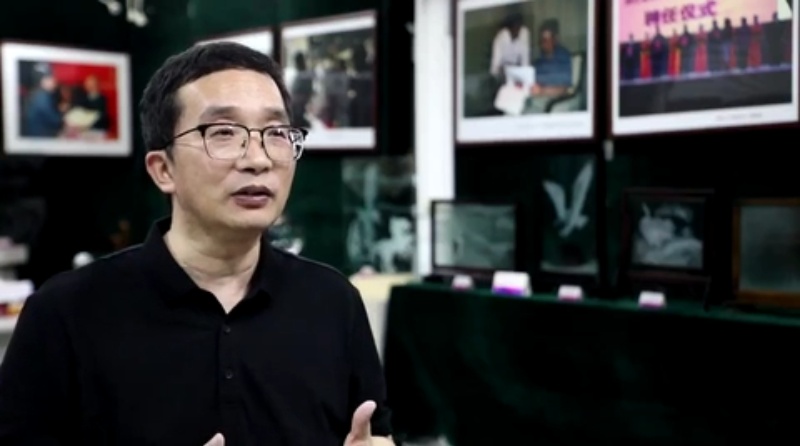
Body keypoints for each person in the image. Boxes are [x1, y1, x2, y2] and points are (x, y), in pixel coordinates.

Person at [0, 42, 393, 446]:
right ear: (163, 169)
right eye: (223, 133)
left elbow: (373, 433)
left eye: (276, 133)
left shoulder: (333, 300)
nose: (258, 159)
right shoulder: (66, 313)